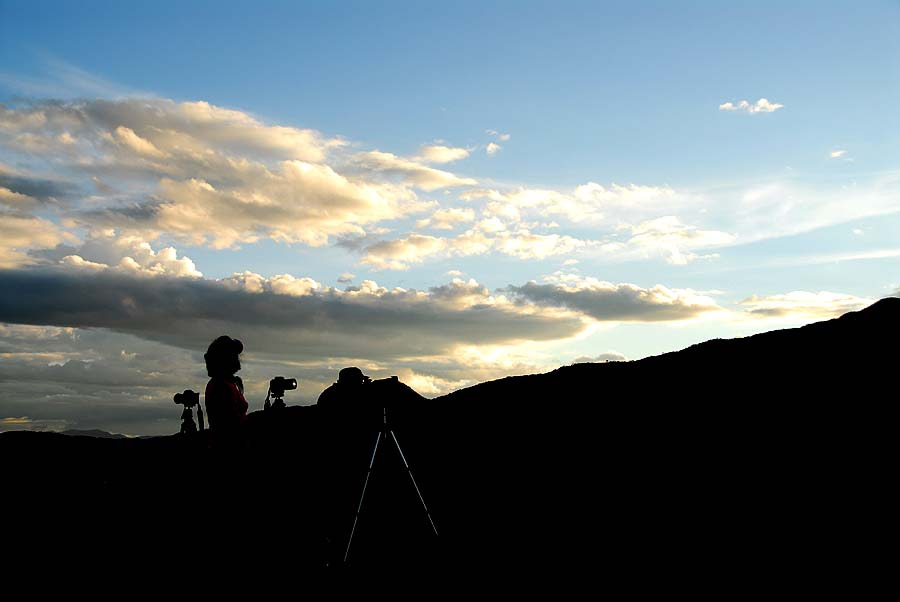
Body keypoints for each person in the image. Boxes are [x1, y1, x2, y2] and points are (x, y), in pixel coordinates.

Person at [203, 335, 248, 435]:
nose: (238, 363)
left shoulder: (228, 383)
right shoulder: (220, 386)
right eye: (234, 357)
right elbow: (230, 423)